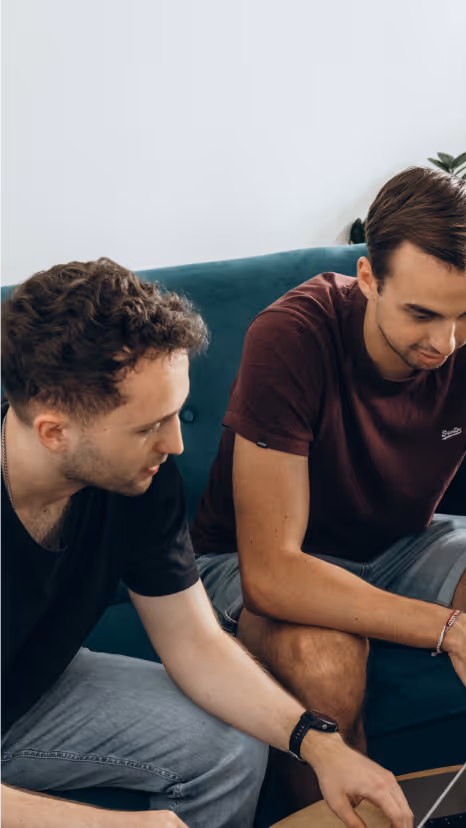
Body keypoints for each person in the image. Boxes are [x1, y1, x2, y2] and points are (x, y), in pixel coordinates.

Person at [193, 167, 466, 809]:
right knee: (325, 668)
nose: (445, 342)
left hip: (406, 543)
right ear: (368, 279)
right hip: (260, 560)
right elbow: (273, 573)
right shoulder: (293, 335)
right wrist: (457, 630)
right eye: (421, 314)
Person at [0, 260, 412, 828]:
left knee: (230, 743)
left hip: (30, 691)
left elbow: (194, 641)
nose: (175, 443)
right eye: (149, 426)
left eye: (173, 416)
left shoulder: (137, 476)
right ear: (54, 431)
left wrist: (321, 746)